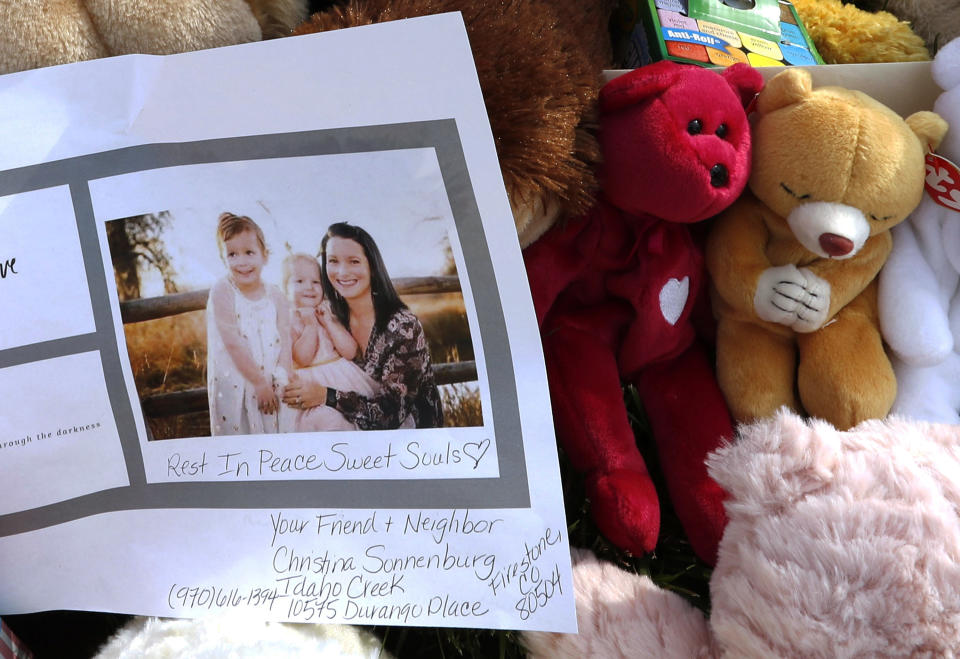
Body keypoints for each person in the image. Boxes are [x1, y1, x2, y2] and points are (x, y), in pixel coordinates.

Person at [282, 222, 444, 429]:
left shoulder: (402, 327)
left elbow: (393, 413)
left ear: (372, 268)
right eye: (333, 261)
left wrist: (327, 396)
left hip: (409, 440)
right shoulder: (329, 314)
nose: (342, 272)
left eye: (354, 261)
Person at [206, 212, 291, 436]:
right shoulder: (223, 291)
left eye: (249, 252)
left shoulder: (275, 295)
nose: (241, 262)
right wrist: (259, 384)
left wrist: (282, 378)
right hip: (240, 385)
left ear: (264, 255)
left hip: (273, 387)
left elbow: (285, 338)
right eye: (232, 254)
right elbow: (232, 342)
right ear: (223, 258)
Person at [278, 253, 378, 432]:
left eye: (315, 282)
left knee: (351, 421)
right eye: (299, 281)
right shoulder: (289, 320)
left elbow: (349, 351)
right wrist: (310, 326)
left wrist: (329, 323)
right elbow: (303, 358)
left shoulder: (327, 313)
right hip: (310, 384)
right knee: (328, 423)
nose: (309, 287)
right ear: (285, 290)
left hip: (342, 380)